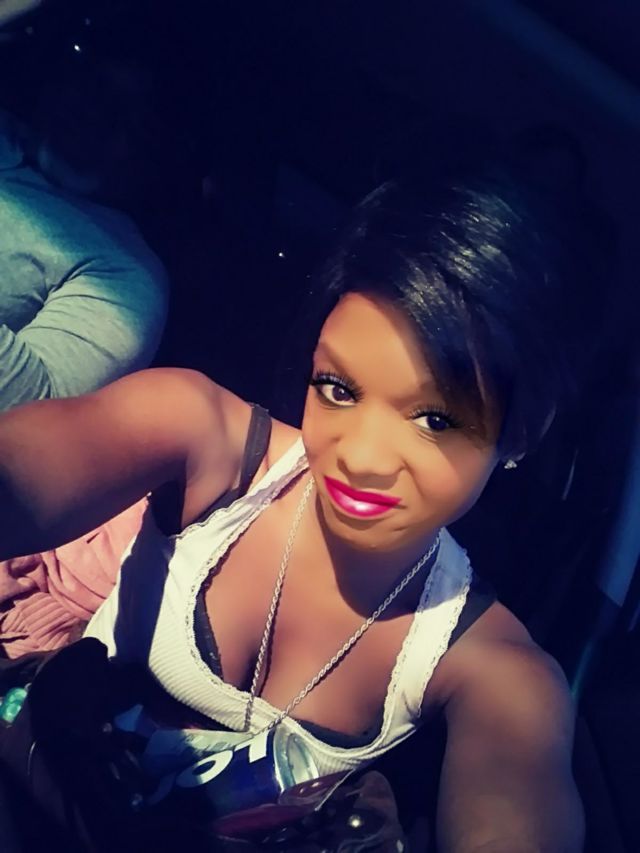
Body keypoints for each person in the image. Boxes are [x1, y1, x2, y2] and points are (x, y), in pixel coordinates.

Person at [0, 145, 610, 852]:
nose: (362, 457)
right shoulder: (203, 438)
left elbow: (513, 798)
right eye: (339, 389)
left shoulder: (493, 666)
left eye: (435, 419)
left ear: (519, 433)